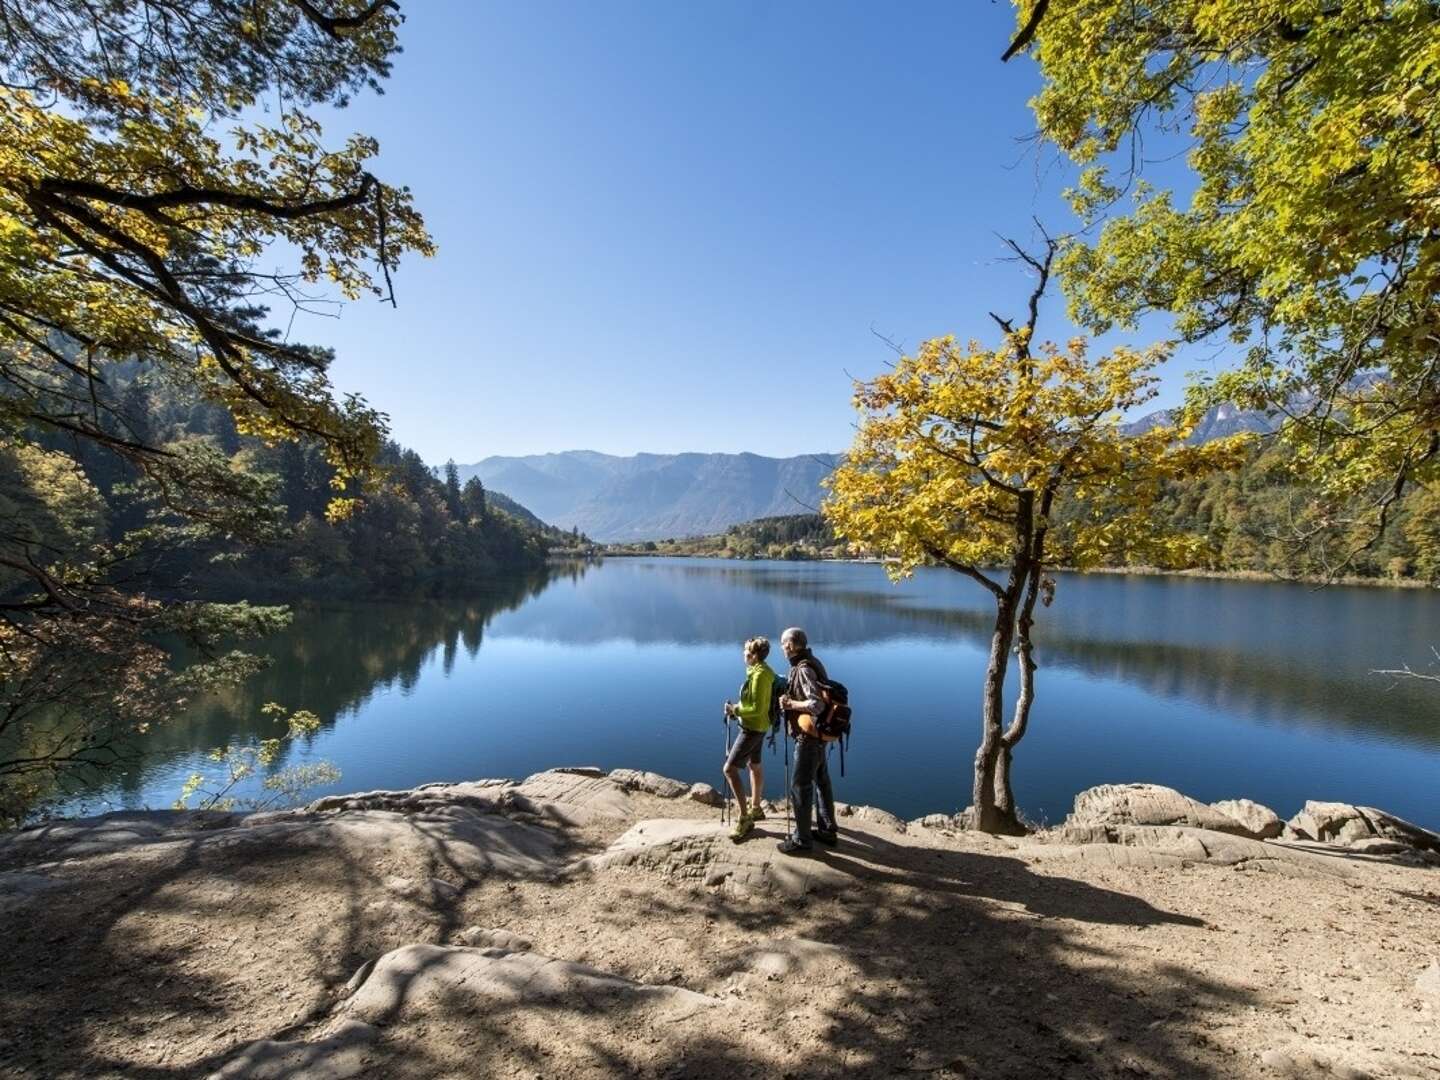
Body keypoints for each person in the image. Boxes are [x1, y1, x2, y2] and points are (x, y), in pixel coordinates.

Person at [777, 626, 838, 855]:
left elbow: (816, 704)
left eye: (783, 645)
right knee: (822, 780)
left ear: (791, 645)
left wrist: (790, 704)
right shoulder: (813, 661)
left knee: (800, 786)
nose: (782, 649)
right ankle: (827, 831)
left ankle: (802, 840)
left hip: (808, 737)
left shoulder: (802, 669)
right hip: (820, 734)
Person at [722, 636, 777, 841]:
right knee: (755, 765)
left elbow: (756, 708)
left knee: (729, 769)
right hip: (759, 726)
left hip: (752, 729)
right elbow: (756, 704)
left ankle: (745, 818)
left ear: (753, 655)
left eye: (746, 651)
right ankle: (756, 808)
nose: (743, 654)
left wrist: (734, 709)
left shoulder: (760, 676)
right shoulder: (758, 671)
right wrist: (737, 709)